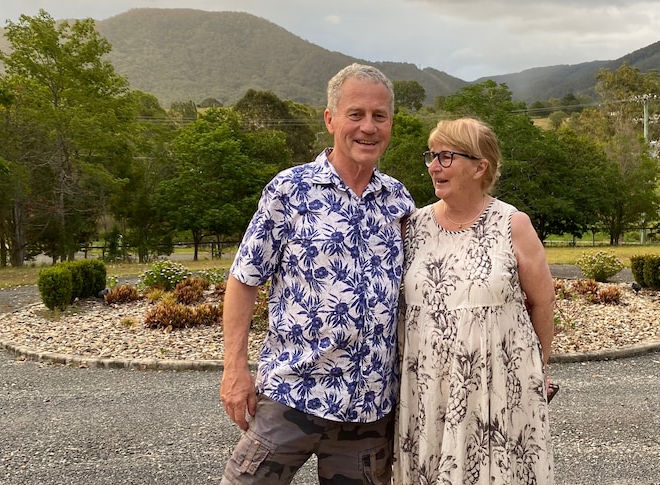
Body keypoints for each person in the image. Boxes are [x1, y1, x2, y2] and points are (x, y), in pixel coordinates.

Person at [219, 63, 415, 485]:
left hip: (367, 411)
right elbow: (244, 278)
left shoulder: (398, 200)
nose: (368, 127)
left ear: (391, 124)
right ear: (330, 119)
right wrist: (234, 369)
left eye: (379, 116)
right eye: (355, 114)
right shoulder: (290, 190)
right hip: (293, 397)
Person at [394, 117, 557, 484]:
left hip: (498, 388)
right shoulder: (413, 227)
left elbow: (543, 303)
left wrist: (537, 370)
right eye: (431, 156)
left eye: (446, 157)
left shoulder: (512, 224)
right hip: (427, 391)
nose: (434, 166)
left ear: (480, 166)